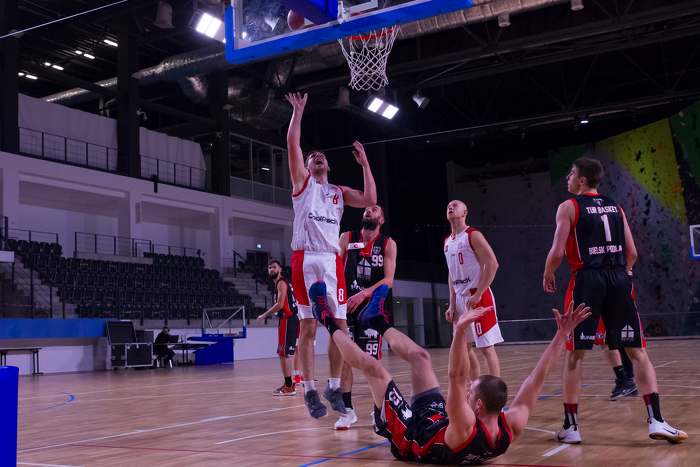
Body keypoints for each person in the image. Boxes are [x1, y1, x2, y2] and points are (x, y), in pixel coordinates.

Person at [312, 281, 594, 464]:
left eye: (471, 392)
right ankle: (376, 320)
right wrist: (561, 335)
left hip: (411, 435)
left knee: (374, 367)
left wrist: (460, 331)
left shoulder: (464, 426)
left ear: (478, 404)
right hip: (435, 421)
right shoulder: (509, 427)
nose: (467, 391)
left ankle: (325, 318)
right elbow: (536, 379)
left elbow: (456, 376)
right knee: (421, 357)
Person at [543, 157, 687, 444]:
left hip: (587, 279)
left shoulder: (568, 206)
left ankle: (571, 427)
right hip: (619, 278)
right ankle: (657, 421)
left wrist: (547, 273)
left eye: (571, 173)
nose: (568, 178)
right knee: (638, 351)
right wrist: (623, 274)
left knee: (575, 354)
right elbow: (632, 252)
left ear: (582, 180)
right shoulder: (616, 207)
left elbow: (557, 252)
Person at [286, 92, 377, 419]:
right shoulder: (303, 184)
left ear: (329, 165)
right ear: (307, 166)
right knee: (309, 328)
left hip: (331, 261)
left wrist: (365, 165)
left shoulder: (338, 192)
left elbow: (369, 198)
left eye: (321, 155)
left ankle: (334, 387)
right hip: (306, 258)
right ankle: (310, 390)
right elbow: (293, 144)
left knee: (340, 327)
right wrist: (298, 112)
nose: (317, 157)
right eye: (312, 156)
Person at [335, 204, 397, 429]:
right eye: (367, 209)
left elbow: (389, 280)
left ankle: (377, 411)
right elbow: (334, 268)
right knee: (344, 359)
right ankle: (347, 411)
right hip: (346, 307)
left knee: (372, 362)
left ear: (381, 220)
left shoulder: (388, 244)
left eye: (375, 209)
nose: (369, 211)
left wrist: (363, 294)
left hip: (371, 308)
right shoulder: (347, 238)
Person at [444, 200, 503, 380]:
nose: (450, 207)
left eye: (455, 205)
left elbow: (493, 264)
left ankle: (494, 393)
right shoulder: (447, 241)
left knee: (486, 348)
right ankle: (476, 387)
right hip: (459, 299)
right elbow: (451, 274)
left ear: (465, 212)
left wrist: (478, 293)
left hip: (477, 295)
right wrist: (452, 303)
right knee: (463, 347)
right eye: (448, 206)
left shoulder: (472, 235)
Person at [256, 260, 300, 396]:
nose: (271, 270)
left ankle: (289, 386)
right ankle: (289, 384)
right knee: (284, 353)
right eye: (269, 268)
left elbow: (280, 304)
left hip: (288, 319)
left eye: (274, 267)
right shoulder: (282, 283)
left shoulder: (281, 283)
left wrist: (264, 315)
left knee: (283, 353)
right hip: (291, 318)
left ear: (280, 269)